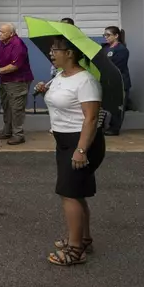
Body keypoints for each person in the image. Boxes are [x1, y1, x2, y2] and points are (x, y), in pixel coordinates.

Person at [35, 35, 105, 266]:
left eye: (57, 49)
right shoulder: (59, 76)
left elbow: (91, 118)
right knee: (76, 192)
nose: (51, 53)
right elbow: (63, 103)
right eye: (52, 49)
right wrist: (45, 90)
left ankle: (75, 250)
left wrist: (81, 150)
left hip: (80, 142)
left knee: (69, 194)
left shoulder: (85, 80)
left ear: (71, 53)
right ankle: (84, 239)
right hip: (64, 141)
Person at [0, 23, 34, 145]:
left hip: (18, 80)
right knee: (7, 106)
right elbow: (0, 60)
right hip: (5, 80)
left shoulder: (18, 45)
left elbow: (14, 66)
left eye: (3, 32)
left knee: (16, 108)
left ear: (11, 34)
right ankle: (7, 130)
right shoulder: (2, 43)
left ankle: (18, 135)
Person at [102, 26, 130, 136]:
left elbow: (117, 67)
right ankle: (105, 125)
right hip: (108, 82)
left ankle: (115, 128)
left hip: (120, 82)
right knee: (107, 105)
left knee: (118, 106)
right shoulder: (105, 48)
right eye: (104, 35)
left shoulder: (122, 50)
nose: (106, 37)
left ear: (116, 36)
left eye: (108, 35)